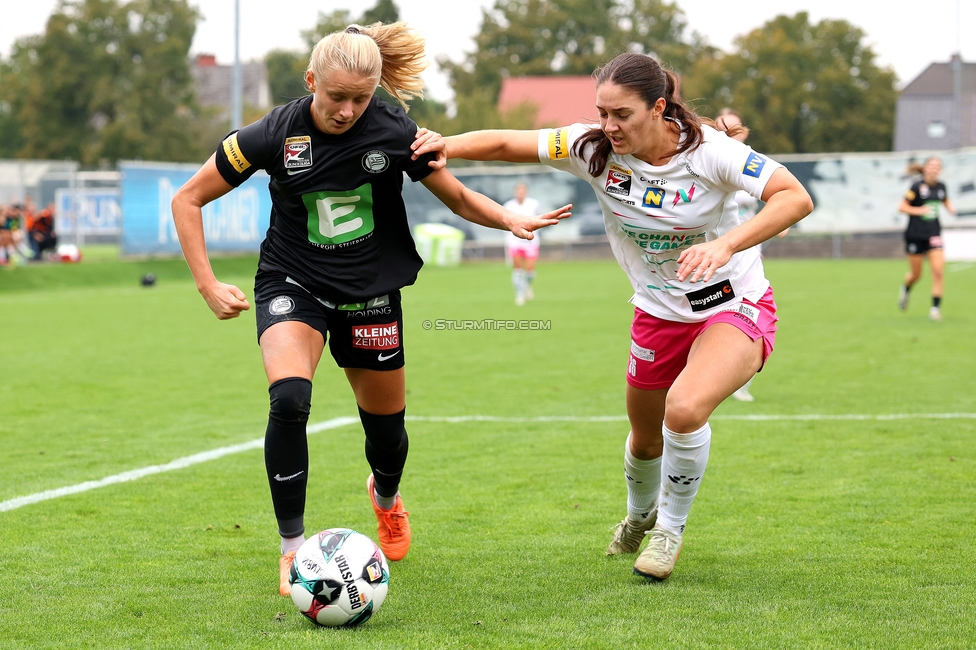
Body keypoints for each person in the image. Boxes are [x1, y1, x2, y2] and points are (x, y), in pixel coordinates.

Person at [170, 22, 570, 597]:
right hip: (293, 281)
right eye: (337, 97)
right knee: (289, 399)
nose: (348, 111)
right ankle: (291, 551)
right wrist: (208, 285)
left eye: (362, 98)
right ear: (311, 81)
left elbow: (456, 196)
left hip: (370, 293)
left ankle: (385, 498)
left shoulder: (395, 132)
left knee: (387, 434)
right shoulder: (270, 134)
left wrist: (509, 218)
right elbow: (188, 198)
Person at [414, 52, 812, 581]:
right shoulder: (592, 148)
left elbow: (795, 196)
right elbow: (512, 143)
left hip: (733, 304)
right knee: (644, 439)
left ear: (659, 107)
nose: (608, 126)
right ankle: (637, 516)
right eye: (602, 112)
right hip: (657, 311)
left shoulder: (712, 154)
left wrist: (727, 245)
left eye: (621, 114)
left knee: (685, 409)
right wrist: (448, 144)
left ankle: (669, 530)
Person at [898, 157, 955, 321]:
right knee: (916, 275)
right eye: (931, 166)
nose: (934, 169)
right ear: (925, 168)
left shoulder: (942, 187)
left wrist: (950, 207)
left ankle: (935, 309)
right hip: (915, 236)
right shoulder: (916, 187)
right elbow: (902, 207)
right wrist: (920, 210)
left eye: (937, 166)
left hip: (934, 235)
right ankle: (906, 288)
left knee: (938, 272)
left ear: (940, 170)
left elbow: (945, 199)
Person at [503, 182, 542, 305]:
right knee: (518, 270)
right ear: (515, 192)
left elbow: (539, 219)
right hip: (514, 242)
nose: (521, 192)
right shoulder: (508, 205)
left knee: (530, 272)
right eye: (518, 190)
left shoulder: (534, 204)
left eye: (523, 190)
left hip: (530, 241)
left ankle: (526, 285)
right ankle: (519, 295)